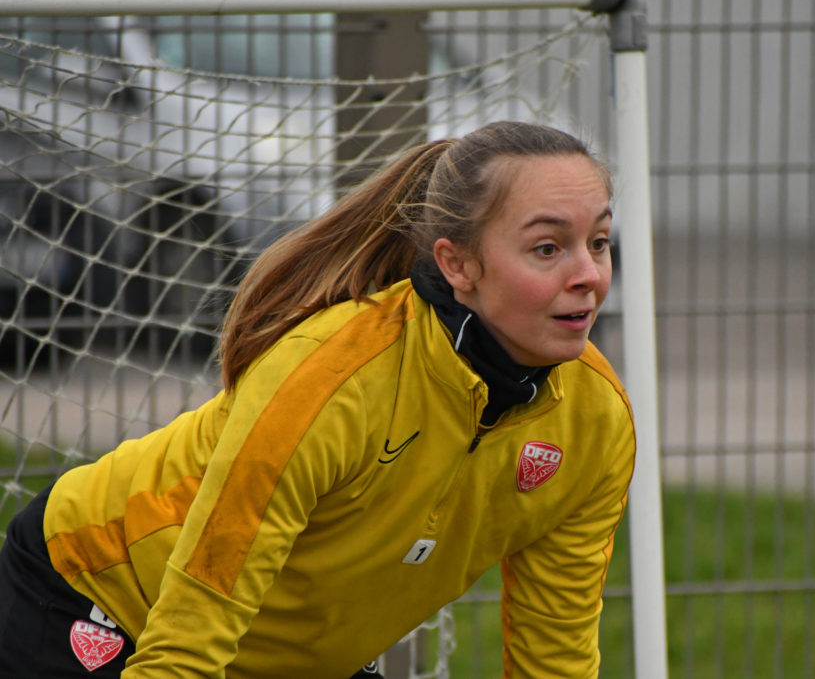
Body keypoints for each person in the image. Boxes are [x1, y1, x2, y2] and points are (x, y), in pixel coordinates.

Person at [0, 120, 636, 678]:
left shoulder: (597, 419)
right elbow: (188, 641)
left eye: (599, 242)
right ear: (458, 264)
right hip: (100, 590)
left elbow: (555, 656)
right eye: (547, 248)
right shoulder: (336, 374)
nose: (588, 275)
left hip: (287, 656)